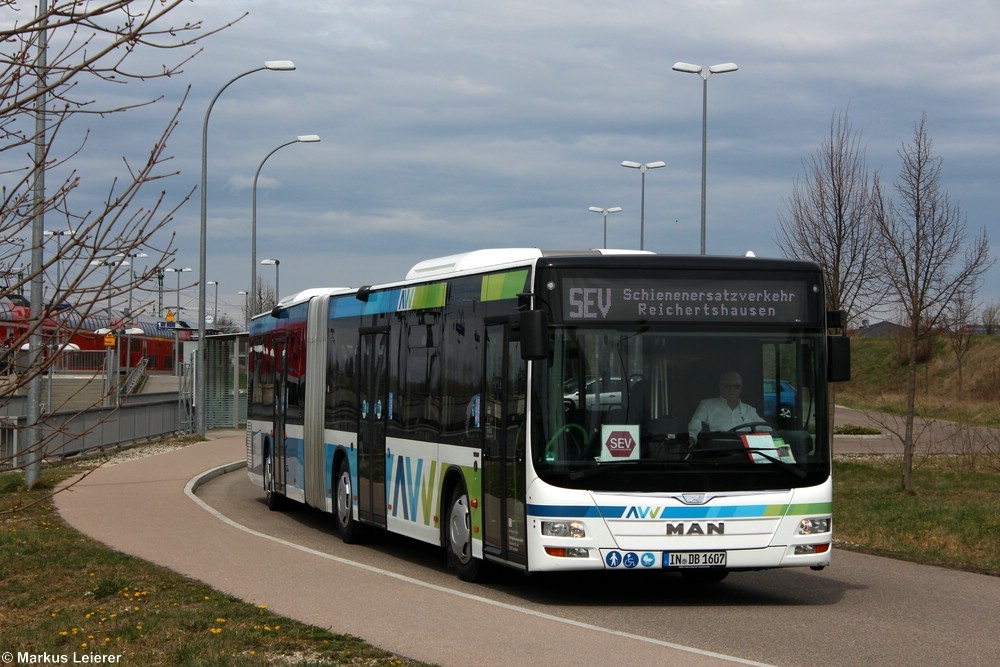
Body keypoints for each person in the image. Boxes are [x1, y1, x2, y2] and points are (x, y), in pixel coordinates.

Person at [688, 371, 764, 445]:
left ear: (741, 388)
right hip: (718, 452)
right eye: (728, 386)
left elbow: (765, 428)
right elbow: (695, 425)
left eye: (736, 386)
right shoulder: (707, 406)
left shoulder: (749, 410)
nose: (732, 390)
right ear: (720, 387)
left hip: (745, 452)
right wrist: (692, 438)